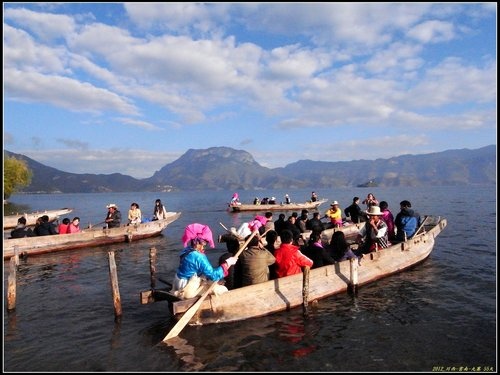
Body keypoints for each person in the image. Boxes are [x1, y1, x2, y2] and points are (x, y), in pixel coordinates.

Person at [171, 223, 238, 299]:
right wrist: (227, 263)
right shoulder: (198, 256)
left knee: (211, 281)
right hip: (187, 288)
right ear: (198, 242)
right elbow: (213, 275)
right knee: (223, 289)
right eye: (204, 243)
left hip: (178, 282)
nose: (204, 247)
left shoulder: (186, 251)